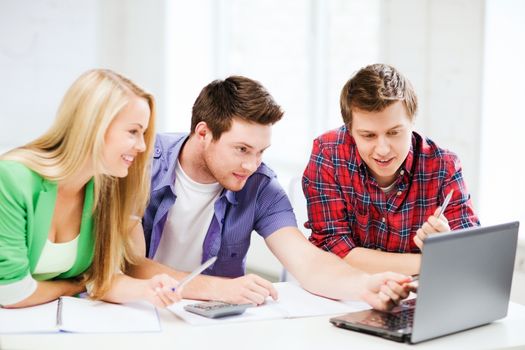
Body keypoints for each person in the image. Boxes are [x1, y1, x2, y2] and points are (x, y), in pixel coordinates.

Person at [126, 75, 413, 311]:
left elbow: (307, 261)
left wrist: (365, 286)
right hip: (133, 310)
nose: (251, 164)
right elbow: (127, 263)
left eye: (260, 151)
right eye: (241, 149)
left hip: (206, 323)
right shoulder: (140, 164)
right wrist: (219, 288)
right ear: (203, 134)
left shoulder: (260, 185)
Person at [0, 69, 181, 308]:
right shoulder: (13, 178)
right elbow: (11, 293)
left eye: (144, 133)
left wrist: (147, 288)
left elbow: (102, 278)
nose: (141, 146)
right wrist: (74, 286)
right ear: (94, 126)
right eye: (133, 132)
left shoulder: (104, 187)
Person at [302, 63, 480, 276]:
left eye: (394, 133)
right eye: (368, 135)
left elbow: (470, 256)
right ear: (350, 130)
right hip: (346, 290)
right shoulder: (328, 152)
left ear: (412, 122)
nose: (383, 150)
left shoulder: (444, 166)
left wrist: (448, 246)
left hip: (413, 296)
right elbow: (332, 248)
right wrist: (431, 261)